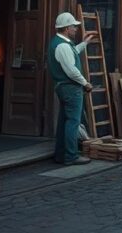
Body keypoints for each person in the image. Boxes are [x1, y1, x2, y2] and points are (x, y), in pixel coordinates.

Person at [48, 12, 95, 165]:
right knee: (73, 122)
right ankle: (71, 156)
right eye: (73, 26)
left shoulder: (61, 43)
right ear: (67, 28)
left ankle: (61, 155)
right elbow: (71, 70)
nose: (75, 29)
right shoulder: (63, 45)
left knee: (64, 121)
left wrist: (84, 43)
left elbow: (72, 53)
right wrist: (85, 83)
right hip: (70, 88)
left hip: (65, 88)